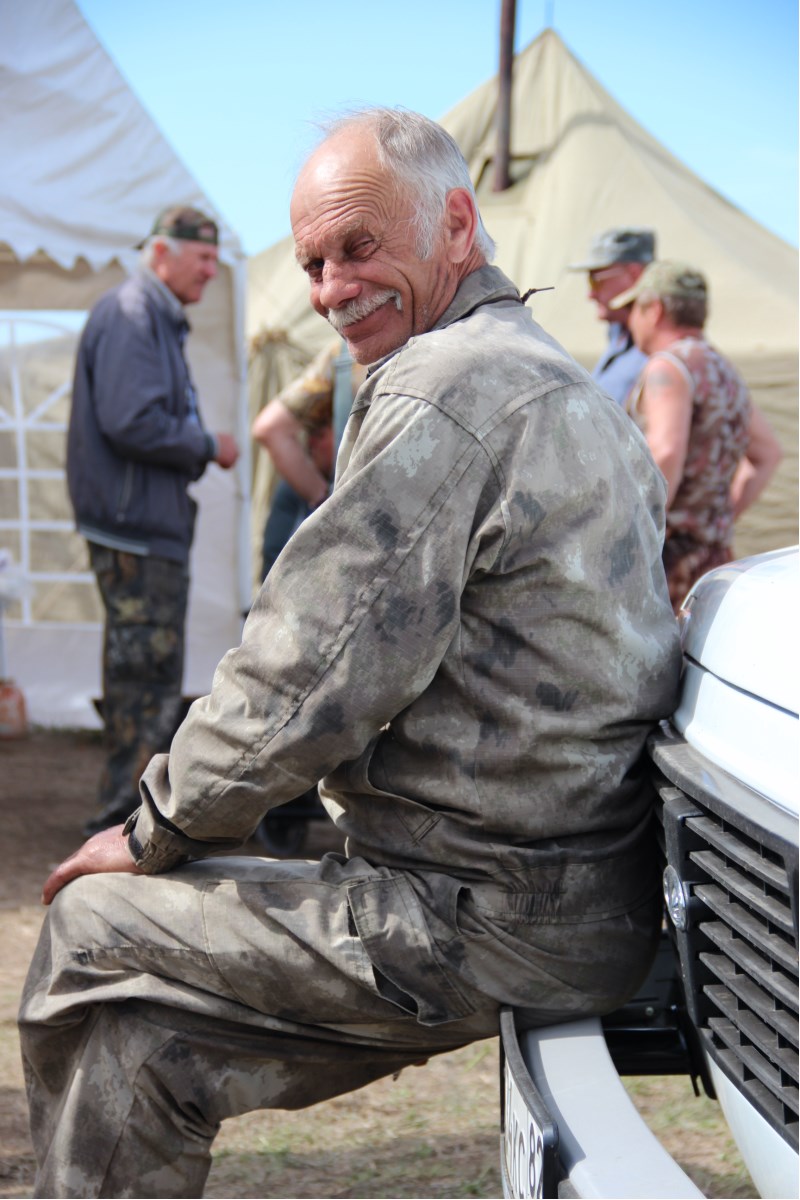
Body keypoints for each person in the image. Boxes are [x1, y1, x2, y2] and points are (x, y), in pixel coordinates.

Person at [21, 109, 681, 1199]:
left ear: (457, 225)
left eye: (359, 248)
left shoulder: (445, 387)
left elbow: (306, 672)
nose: (332, 289)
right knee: (140, 1047)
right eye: (313, 264)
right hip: (565, 897)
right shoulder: (555, 380)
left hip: (481, 912)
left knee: (90, 924)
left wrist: (153, 828)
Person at [66, 206, 240, 837]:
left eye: (216, 259)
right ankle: (123, 824)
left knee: (145, 675)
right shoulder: (133, 314)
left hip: (142, 525)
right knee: (144, 680)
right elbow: (132, 421)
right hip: (134, 530)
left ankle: (130, 817)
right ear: (161, 253)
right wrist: (207, 444)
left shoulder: (152, 317)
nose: (212, 271)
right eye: (203, 258)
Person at [611, 259, 782, 610]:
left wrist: (627, 541)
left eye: (634, 308)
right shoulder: (723, 368)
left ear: (655, 310)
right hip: (713, 564)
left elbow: (666, 453)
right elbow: (768, 453)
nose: (629, 320)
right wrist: (717, 520)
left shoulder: (668, 367)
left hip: (668, 564)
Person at [251, 338, 361, 579]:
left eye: (319, 434)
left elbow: (270, 428)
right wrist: (325, 503)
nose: (310, 444)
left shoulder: (343, 354)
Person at [569, 226, 655, 405]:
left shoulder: (657, 347)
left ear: (634, 274)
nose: (590, 294)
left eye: (596, 280)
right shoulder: (618, 336)